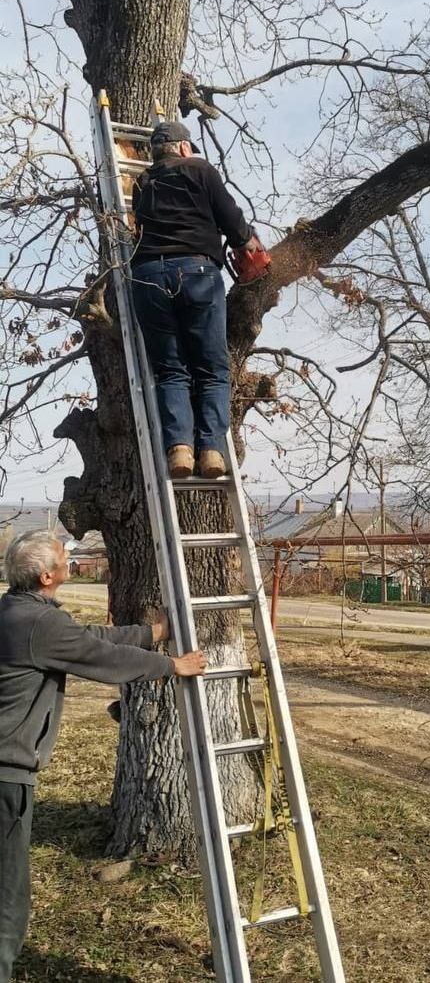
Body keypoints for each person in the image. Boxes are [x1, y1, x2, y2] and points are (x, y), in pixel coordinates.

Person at [0, 530, 206, 982]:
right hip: (5, 778)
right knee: (7, 901)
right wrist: (173, 665)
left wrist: (152, 634)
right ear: (47, 575)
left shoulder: (15, 612)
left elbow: (89, 636)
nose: (69, 560)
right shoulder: (40, 625)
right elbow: (102, 657)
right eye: (63, 557)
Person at [131, 121, 258, 480]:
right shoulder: (202, 170)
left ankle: (180, 451)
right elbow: (231, 219)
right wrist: (247, 242)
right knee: (213, 370)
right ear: (185, 147)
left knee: (171, 370)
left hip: (149, 276)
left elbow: (138, 225)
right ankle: (213, 451)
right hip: (198, 273)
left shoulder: (143, 183)